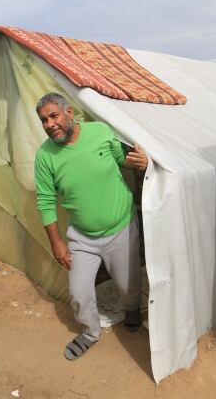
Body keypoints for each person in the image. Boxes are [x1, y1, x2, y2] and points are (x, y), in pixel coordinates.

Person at [34, 92, 148, 361]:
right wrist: (56, 242)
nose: (49, 124)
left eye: (54, 116)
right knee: (78, 291)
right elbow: (46, 201)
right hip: (82, 237)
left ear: (69, 113)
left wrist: (140, 163)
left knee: (128, 283)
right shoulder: (45, 156)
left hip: (121, 226)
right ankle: (89, 331)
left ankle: (132, 309)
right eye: (43, 120)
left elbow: (122, 158)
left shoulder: (100, 131)